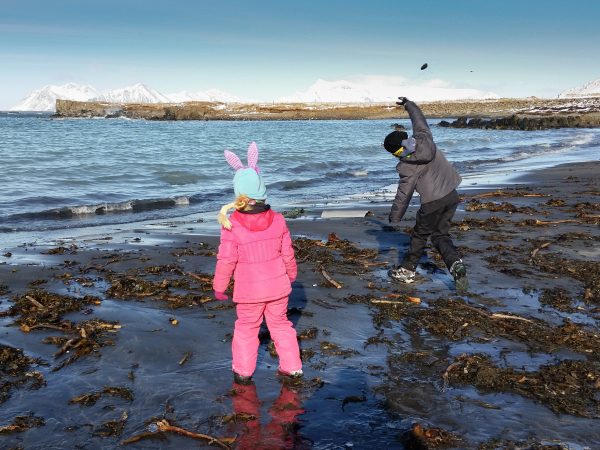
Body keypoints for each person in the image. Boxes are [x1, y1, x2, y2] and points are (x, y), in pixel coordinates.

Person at [213, 141, 303, 384]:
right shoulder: (278, 220)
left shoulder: (232, 225)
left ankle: (243, 372)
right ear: (263, 194)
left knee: (246, 328)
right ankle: (293, 367)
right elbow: (288, 253)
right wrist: (291, 275)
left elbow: (226, 259)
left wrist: (219, 286)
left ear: (239, 197)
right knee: (281, 325)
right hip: (278, 288)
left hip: (249, 291)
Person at [383, 97, 468, 291]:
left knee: (419, 236)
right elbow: (418, 119)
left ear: (395, 153)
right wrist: (408, 104)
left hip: (432, 203)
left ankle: (407, 270)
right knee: (440, 235)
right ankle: (456, 264)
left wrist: (395, 217)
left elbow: (403, 195)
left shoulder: (407, 167)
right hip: (451, 195)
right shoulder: (424, 137)